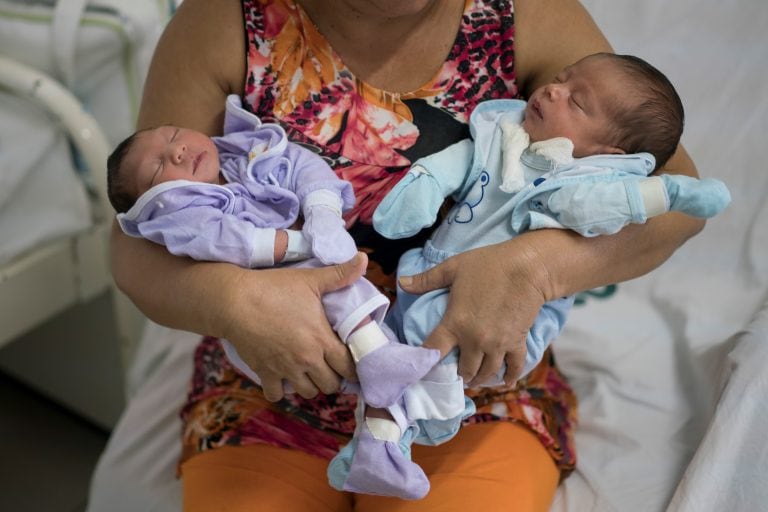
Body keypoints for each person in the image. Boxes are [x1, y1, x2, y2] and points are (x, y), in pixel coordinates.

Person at [111, 0, 710, 510]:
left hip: (469, 388)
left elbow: (680, 200)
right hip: (273, 386)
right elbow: (133, 240)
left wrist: (538, 268)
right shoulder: (225, 21)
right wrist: (232, 300)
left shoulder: (524, 15)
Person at [342, 52, 729, 497]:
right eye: (561, 77)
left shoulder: (587, 179)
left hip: (498, 326)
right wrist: (427, 183)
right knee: (380, 342)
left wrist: (671, 193)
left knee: (427, 363)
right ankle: (375, 430)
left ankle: (400, 433)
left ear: (608, 152)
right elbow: (461, 163)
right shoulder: (500, 133)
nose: (552, 89)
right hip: (427, 274)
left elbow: (594, 208)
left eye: (577, 102)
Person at [107, 94, 444, 498]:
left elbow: (304, 166)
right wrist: (307, 242)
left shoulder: (249, 154)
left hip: (333, 285)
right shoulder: (183, 217)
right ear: (151, 204)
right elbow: (237, 243)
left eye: (174, 135)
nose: (177, 150)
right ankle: (380, 364)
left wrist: (323, 212)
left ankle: (378, 449)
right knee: (341, 292)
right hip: (274, 320)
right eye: (159, 166)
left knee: (371, 355)